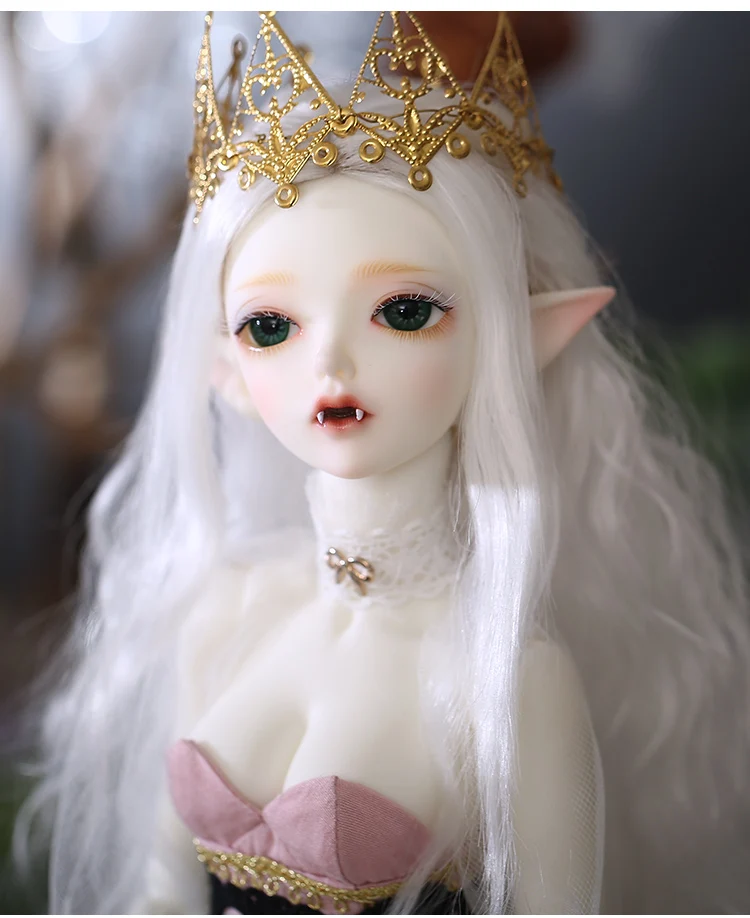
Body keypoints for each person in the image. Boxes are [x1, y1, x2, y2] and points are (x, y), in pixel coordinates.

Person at [19, 11, 750, 915]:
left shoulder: (509, 679)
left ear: (522, 341)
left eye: (404, 312)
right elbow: (160, 893)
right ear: (225, 370)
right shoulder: (227, 612)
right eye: (270, 327)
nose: (330, 364)